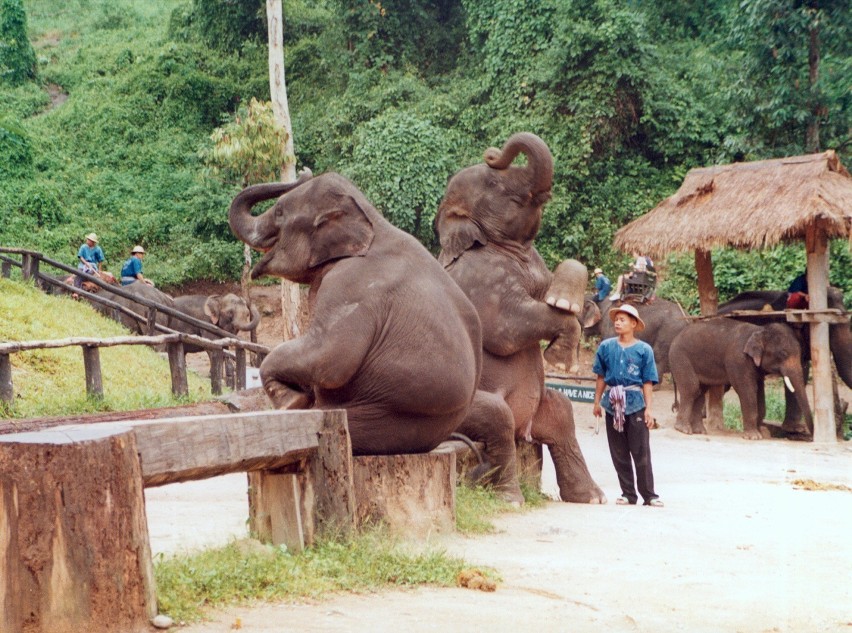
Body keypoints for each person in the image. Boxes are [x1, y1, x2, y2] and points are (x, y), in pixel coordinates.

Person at [592, 304, 663, 507]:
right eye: (616, 319)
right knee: (619, 451)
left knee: (641, 451)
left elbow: (648, 382)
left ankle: (649, 495)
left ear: (633, 324)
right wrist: (597, 402)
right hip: (612, 403)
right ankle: (628, 494)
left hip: (635, 403)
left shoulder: (644, 350)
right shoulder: (606, 347)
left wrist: (649, 409)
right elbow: (601, 376)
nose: (618, 322)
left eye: (623, 320)